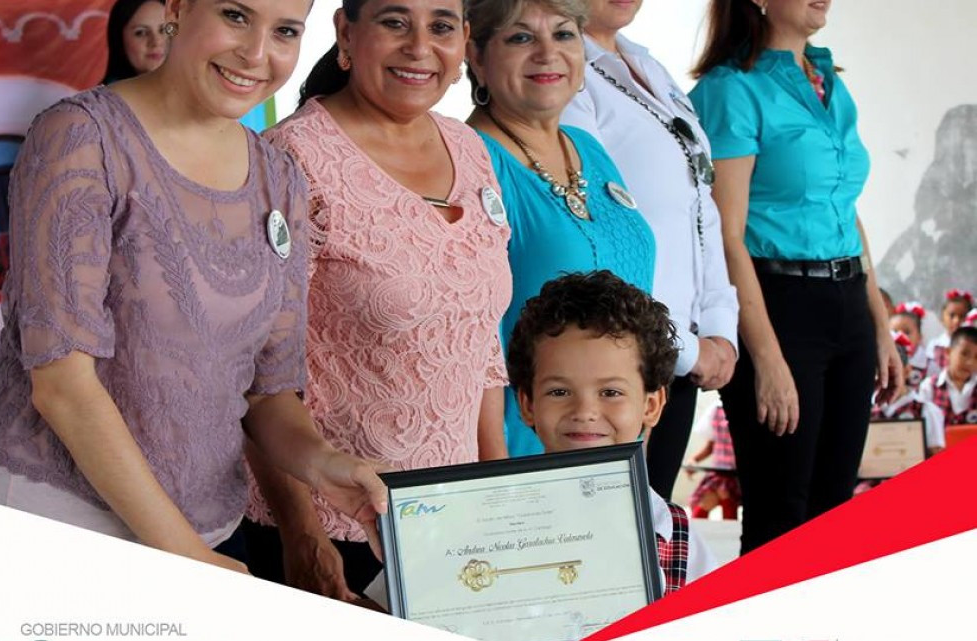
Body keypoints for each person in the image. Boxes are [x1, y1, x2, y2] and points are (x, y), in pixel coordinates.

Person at [0, 0, 387, 575]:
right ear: (176, 9)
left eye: (285, 31)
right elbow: (62, 384)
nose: (257, 54)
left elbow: (267, 393)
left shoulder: (279, 176)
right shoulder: (81, 137)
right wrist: (187, 559)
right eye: (236, 16)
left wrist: (321, 462)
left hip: (212, 532)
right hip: (59, 526)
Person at [243, 0, 513, 599]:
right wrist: (302, 536)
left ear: (464, 41)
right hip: (336, 528)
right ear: (346, 33)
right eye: (395, 22)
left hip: (452, 520)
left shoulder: (468, 147)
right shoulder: (290, 157)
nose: (420, 47)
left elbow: (479, 345)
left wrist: (495, 489)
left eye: (441, 27)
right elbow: (251, 369)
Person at [688, 0, 903, 553]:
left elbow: (848, 212)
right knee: (781, 510)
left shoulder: (830, 84)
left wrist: (880, 327)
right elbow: (726, 235)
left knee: (834, 506)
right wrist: (767, 357)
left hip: (849, 302)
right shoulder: (731, 89)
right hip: (777, 307)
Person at [559, 0, 739, 501]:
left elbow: (702, 203)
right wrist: (685, 346)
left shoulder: (649, 65)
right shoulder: (566, 75)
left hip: (680, 352)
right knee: (618, 540)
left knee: (652, 539)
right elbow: (598, 237)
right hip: (625, 356)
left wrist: (721, 327)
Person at [463, 0, 656, 458]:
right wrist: (495, 476)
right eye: (520, 37)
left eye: (564, 34)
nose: (547, 53)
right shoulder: (468, 159)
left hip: (615, 447)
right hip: (524, 452)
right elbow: (469, 346)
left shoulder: (587, 147)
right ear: (476, 56)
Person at [507, 270, 716, 594]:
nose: (585, 412)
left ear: (651, 405)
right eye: (560, 392)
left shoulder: (679, 542)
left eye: (611, 393)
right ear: (528, 403)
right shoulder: (491, 529)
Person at [685, 404, 741, 519]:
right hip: (719, 473)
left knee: (726, 497)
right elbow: (711, 445)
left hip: (736, 475)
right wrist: (694, 460)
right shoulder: (716, 409)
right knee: (707, 500)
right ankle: (694, 533)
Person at [920, 326, 977, 427]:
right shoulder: (929, 387)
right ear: (948, 352)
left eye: (976, 357)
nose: (970, 362)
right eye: (964, 354)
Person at [102, 0, 168, 84]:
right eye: (141, 32)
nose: (156, 42)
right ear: (119, 40)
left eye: (164, 30)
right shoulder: (101, 96)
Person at [890, 302, 936, 387]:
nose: (901, 335)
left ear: (919, 336)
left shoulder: (930, 364)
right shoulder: (885, 359)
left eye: (907, 332)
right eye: (895, 331)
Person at [928, 289, 974, 371]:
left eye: (962, 316)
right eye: (952, 315)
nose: (956, 321)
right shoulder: (935, 345)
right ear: (942, 317)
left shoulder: (974, 346)